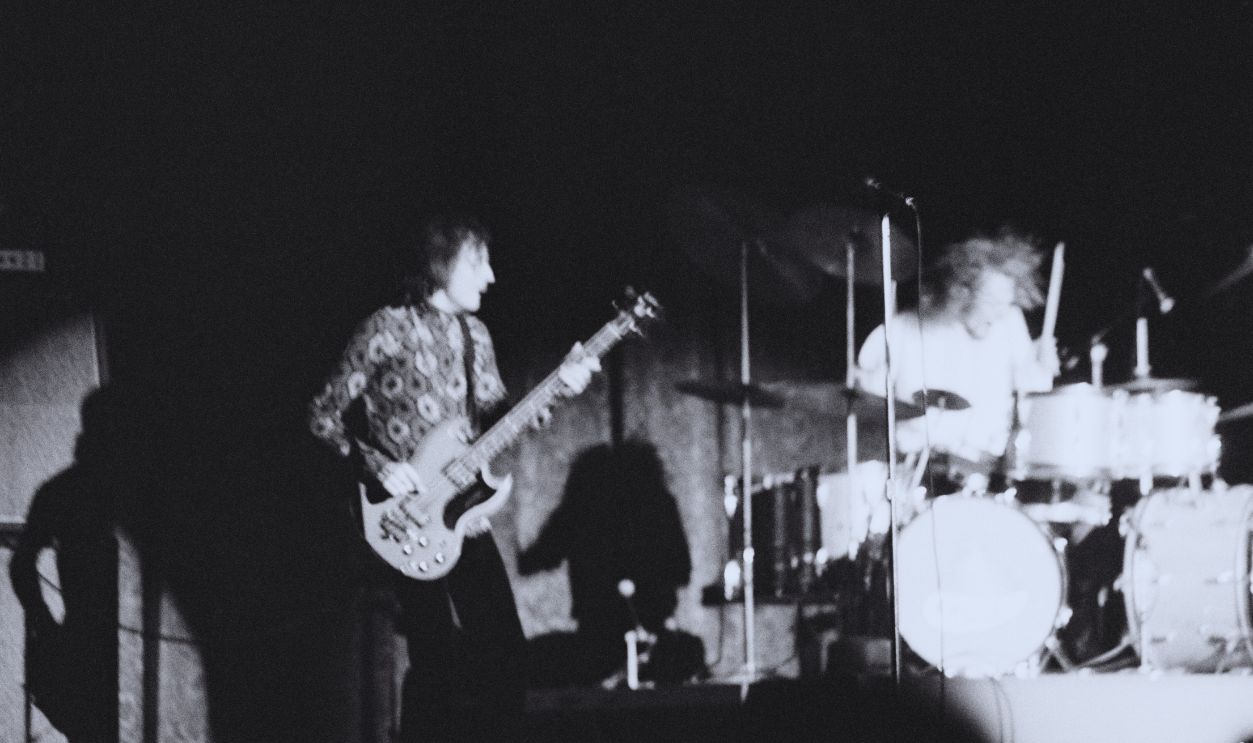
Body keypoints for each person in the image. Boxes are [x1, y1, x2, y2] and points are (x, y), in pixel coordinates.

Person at [308, 215, 599, 741]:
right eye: (477, 262)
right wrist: (378, 466)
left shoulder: (475, 336)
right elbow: (323, 415)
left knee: (507, 654)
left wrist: (561, 387)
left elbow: (498, 420)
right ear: (439, 264)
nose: (489, 277)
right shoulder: (385, 328)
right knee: (436, 656)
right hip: (404, 517)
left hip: (464, 513)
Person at [857, 228, 1060, 486]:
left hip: (981, 473)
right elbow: (866, 406)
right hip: (911, 471)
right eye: (993, 302)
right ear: (962, 293)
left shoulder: (1009, 323)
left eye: (1007, 303)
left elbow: (1031, 397)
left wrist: (1042, 368)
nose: (1000, 313)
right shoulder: (904, 331)